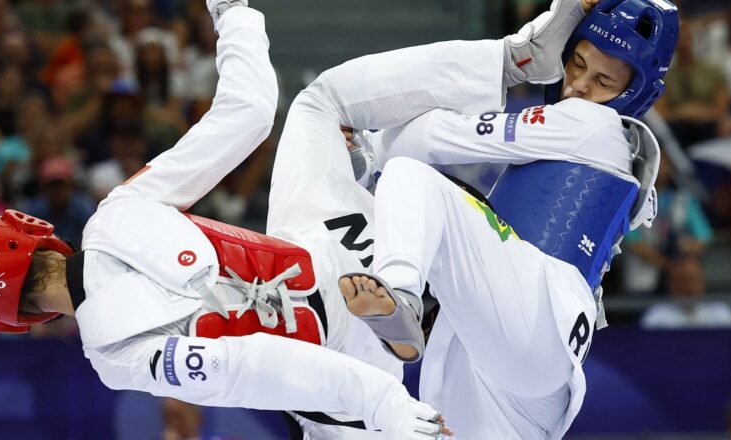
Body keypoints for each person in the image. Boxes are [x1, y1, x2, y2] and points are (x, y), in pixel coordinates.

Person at [0, 2, 448, 439]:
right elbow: (249, 110)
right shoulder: (119, 211)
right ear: (28, 231)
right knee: (322, 104)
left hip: (353, 396)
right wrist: (232, 10)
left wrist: (385, 407)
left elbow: (252, 366)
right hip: (351, 251)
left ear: (4, 318)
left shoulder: (113, 355)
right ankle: (506, 69)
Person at [279, 0, 676, 438]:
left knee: (411, 178)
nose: (578, 86)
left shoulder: (592, 125)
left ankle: (403, 298)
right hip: (520, 379)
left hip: (538, 318)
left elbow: (423, 141)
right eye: (577, 64)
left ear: (636, 93)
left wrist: (371, 150)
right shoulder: (605, 154)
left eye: (602, 80)